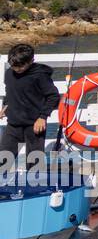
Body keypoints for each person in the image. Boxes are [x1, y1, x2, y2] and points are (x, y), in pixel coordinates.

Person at [0, 44, 61, 177]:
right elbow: (10, 91)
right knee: (3, 159)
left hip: (35, 125)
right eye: (13, 65)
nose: (16, 69)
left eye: (20, 66)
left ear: (31, 61)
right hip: (13, 124)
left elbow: (53, 96)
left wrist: (43, 117)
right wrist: (5, 106)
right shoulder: (9, 73)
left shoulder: (40, 75)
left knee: (34, 163)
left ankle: (36, 186)